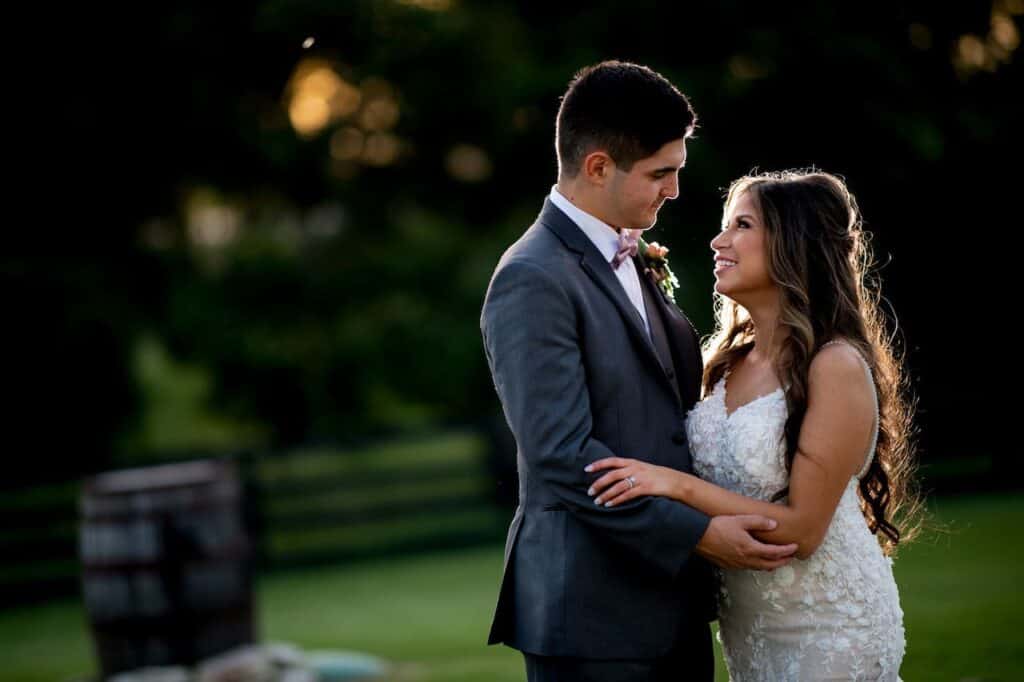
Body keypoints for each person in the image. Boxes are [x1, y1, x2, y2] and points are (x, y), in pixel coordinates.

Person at [480, 61, 797, 682]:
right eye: (661, 173)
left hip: (672, 599)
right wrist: (698, 533)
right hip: (591, 609)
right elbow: (562, 454)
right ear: (598, 166)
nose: (674, 190)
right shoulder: (532, 278)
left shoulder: (633, 254)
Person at [587, 170, 921, 680]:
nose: (719, 241)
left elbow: (802, 531)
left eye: (742, 225)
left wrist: (673, 485)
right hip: (749, 627)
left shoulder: (834, 365)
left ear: (793, 244)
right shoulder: (724, 365)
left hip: (831, 625)